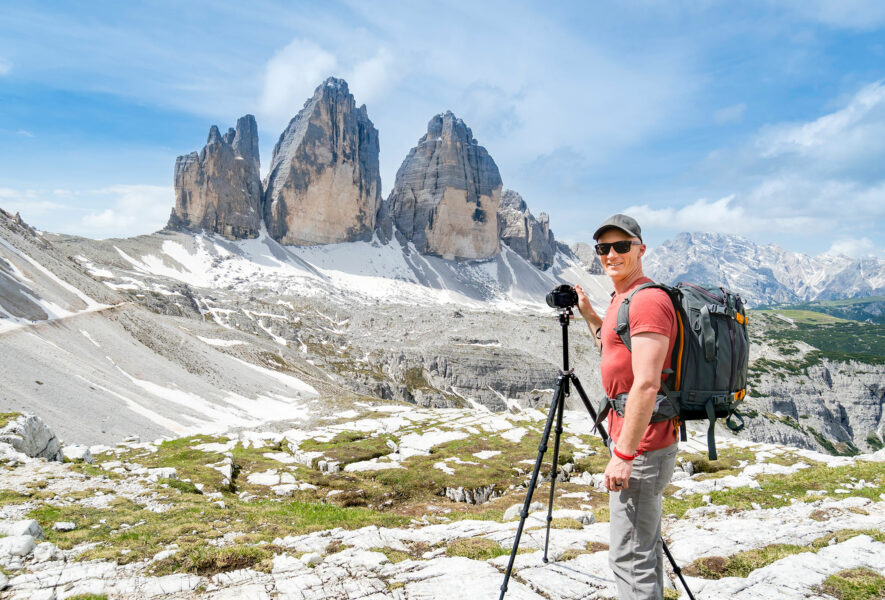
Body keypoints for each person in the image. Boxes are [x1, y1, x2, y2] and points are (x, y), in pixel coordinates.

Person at [574, 214, 678, 600]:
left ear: (640, 249)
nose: (611, 254)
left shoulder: (648, 300)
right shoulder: (624, 296)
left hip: (643, 447)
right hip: (641, 444)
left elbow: (647, 384)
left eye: (621, 246)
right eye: (604, 248)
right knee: (642, 549)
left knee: (628, 558)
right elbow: (615, 343)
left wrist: (624, 454)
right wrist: (589, 315)